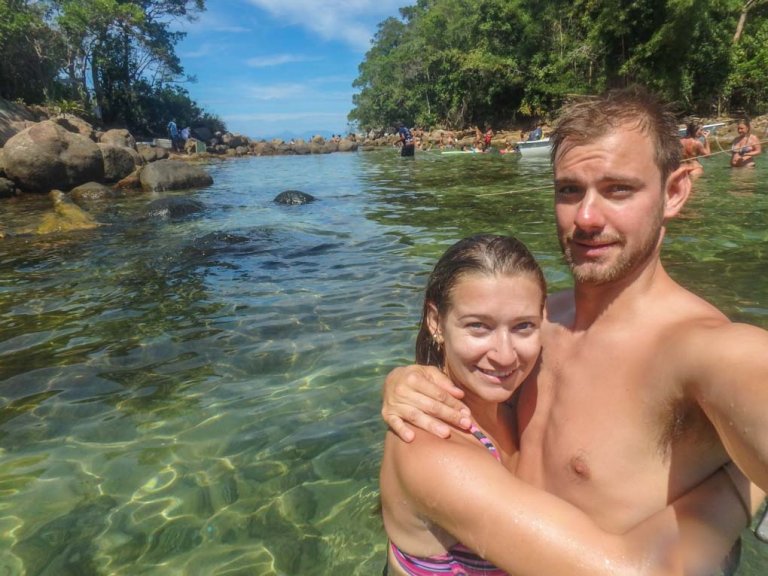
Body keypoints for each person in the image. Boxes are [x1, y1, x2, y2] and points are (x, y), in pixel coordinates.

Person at [382, 86, 768, 570]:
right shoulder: (532, 325)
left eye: (618, 189)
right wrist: (405, 379)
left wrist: (745, 484)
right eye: (570, 189)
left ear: (674, 191)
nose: (585, 217)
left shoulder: (710, 352)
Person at [382, 234, 753, 576]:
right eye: (478, 326)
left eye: (523, 326)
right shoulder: (433, 448)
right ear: (435, 320)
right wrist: (745, 481)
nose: (504, 354)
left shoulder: (506, 397)